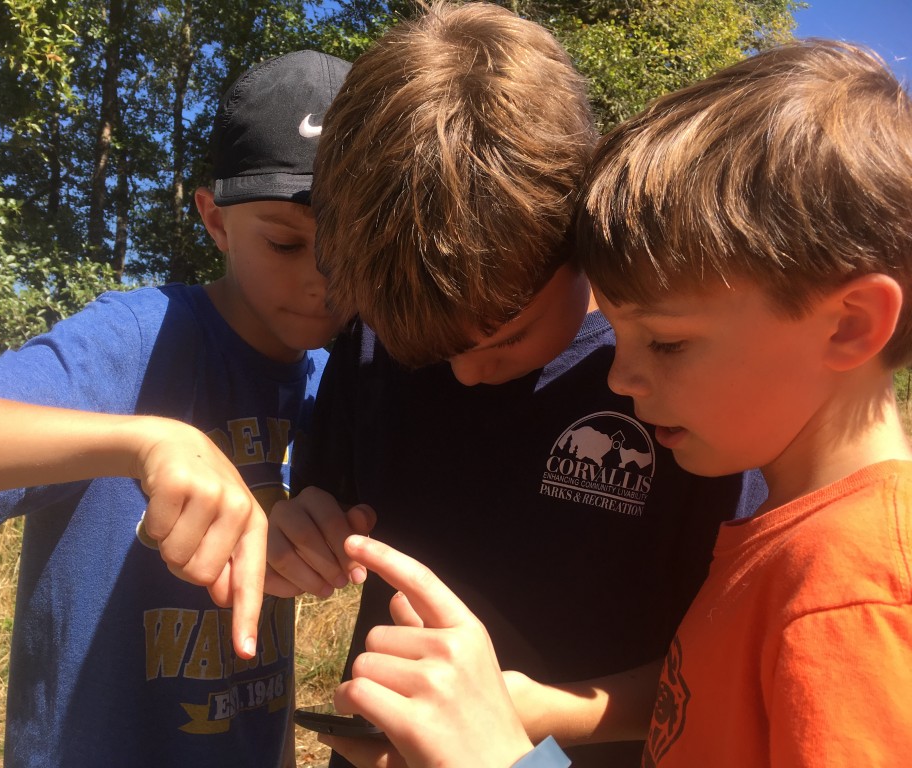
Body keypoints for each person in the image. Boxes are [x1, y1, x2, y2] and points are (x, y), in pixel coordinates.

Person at [327, 38, 912, 768]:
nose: (620, 380)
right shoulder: (780, 549)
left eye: (664, 344)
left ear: (851, 324)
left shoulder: (855, 602)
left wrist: (502, 759)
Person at [264, 5, 765, 767]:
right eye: (423, 352)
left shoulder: (684, 391)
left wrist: (530, 716)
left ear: (582, 232)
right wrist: (299, 527)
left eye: (503, 338)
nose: (465, 371)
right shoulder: (374, 344)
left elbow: (737, 671)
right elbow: (321, 497)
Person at [0, 49, 350, 767]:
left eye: (353, 245)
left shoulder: (332, 378)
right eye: (286, 241)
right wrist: (145, 442)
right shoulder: (138, 337)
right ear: (214, 221)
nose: (323, 279)